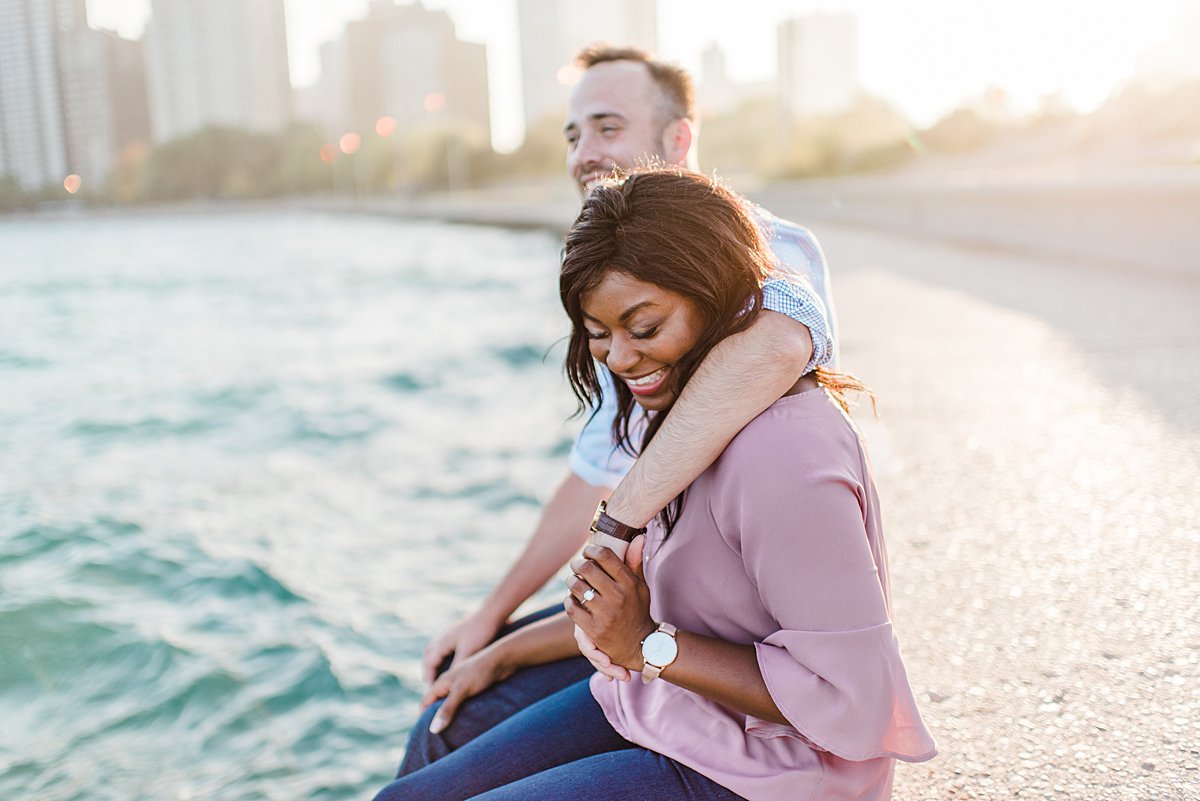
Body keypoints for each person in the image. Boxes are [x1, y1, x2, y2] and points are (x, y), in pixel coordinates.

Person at [374, 168, 935, 801]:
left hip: (776, 775)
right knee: (423, 764)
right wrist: (501, 654)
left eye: (644, 329)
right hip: (675, 712)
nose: (618, 358)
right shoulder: (681, 428)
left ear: (717, 294)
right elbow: (648, 611)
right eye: (598, 335)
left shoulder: (784, 454)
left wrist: (647, 646)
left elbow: (854, 701)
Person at [421, 44, 838, 691]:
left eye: (607, 128)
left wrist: (617, 523)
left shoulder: (757, 243)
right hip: (663, 608)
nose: (583, 153)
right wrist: (489, 616)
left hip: (745, 652)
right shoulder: (627, 285)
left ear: (678, 141)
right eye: (573, 134)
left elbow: (782, 340)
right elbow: (592, 471)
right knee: (454, 699)